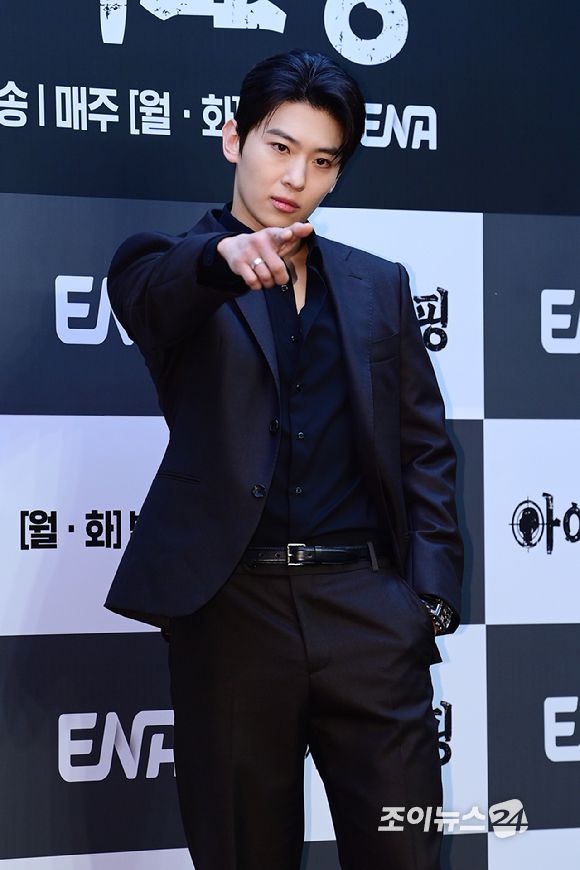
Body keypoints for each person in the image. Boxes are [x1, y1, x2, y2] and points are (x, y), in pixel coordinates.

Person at [105, 48, 463, 870]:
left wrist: (428, 599)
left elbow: (423, 445)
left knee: (407, 854)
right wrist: (219, 262)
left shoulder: (378, 285)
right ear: (234, 138)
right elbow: (153, 297)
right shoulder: (169, 268)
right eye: (280, 146)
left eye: (323, 161)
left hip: (368, 612)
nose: (296, 177)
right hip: (234, 615)